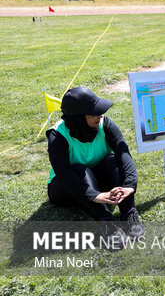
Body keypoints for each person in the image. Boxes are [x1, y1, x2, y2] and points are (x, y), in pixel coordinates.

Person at [47, 87, 144, 248]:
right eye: (94, 113)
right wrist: (93, 195)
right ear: (78, 117)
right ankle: (106, 221)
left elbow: (123, 152)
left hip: (98, 181)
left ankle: (128, 213)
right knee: (80, 169)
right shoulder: (57, 136)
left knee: (111, 160)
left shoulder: (105, 124)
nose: (100, 115)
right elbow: (64, 173)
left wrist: (129, 185)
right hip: (66, 187)